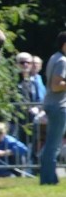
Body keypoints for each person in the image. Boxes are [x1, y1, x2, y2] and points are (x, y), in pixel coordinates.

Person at [39, 31, 66, 185]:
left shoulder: (54, 57)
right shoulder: (62, 60)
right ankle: (48, 179)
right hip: (58, 106)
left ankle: (49, 178)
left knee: (51, 144)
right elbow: (56, 86)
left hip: (51, 105)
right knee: (53, 145)